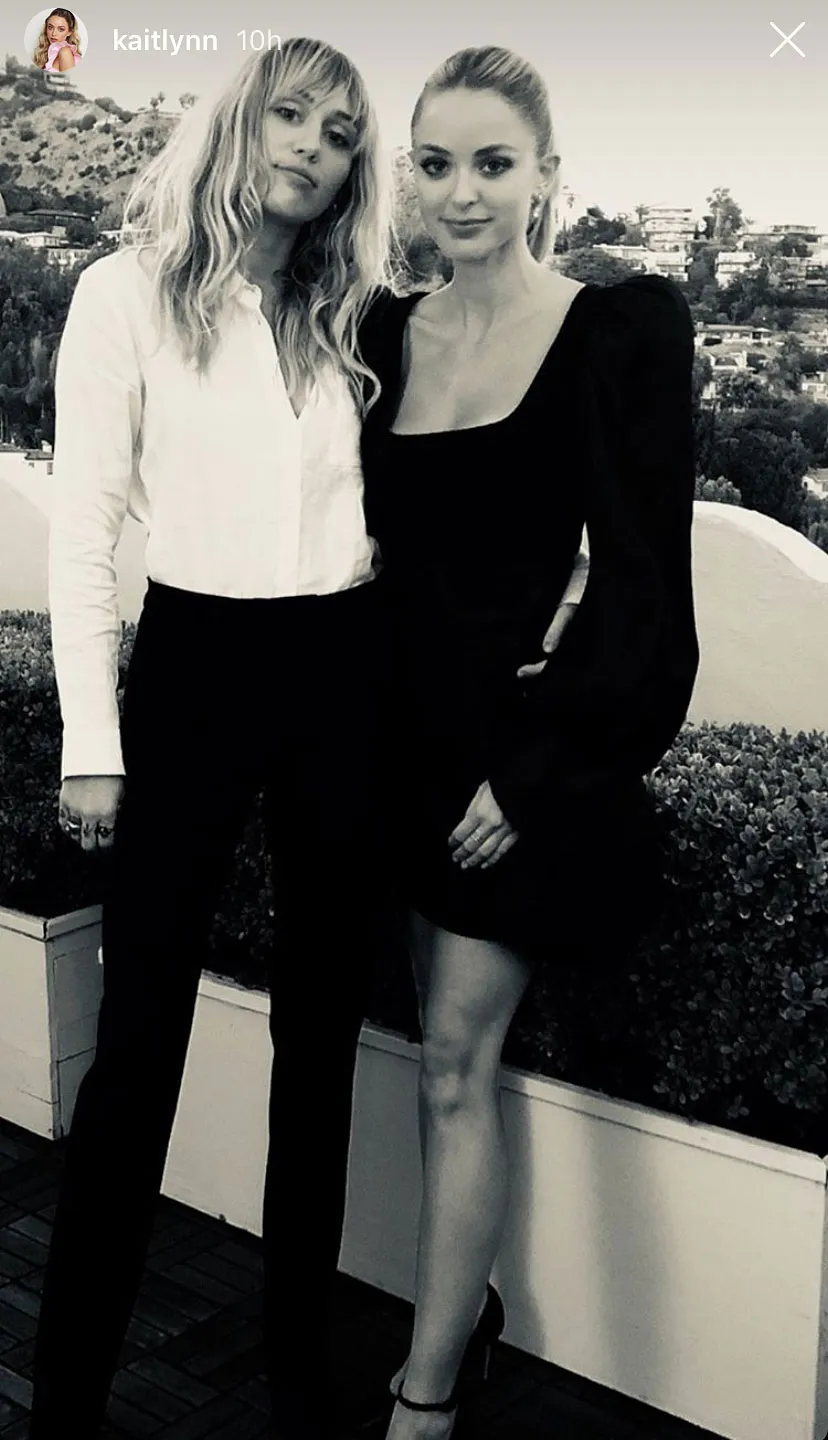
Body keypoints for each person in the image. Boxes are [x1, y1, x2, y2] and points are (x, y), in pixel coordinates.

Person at [30, 35, 586, 1440]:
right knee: (137, 1046)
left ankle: (294, 1380)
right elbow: (82, 532)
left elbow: (459, 507)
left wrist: (550, 630)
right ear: (242, 121)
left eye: (343, 135)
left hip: (346, 680)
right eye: (292, 116)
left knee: (320, 1044)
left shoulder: (362, 321)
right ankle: (70, 1397)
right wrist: (92, 737)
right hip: (193, 671)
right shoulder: (125, 292)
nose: (315, 149)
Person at [357, 45, 699, 1440]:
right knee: (431, 1058)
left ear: (547, 177)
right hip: (389, 752)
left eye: (494, 164)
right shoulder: (382, 334)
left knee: (454, 1062)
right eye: (437, 163)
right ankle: (468, 1315)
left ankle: (426, 1394)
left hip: (508, 769)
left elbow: (647, 592)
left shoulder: (619, 334)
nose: (464, 192)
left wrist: (536, 770)